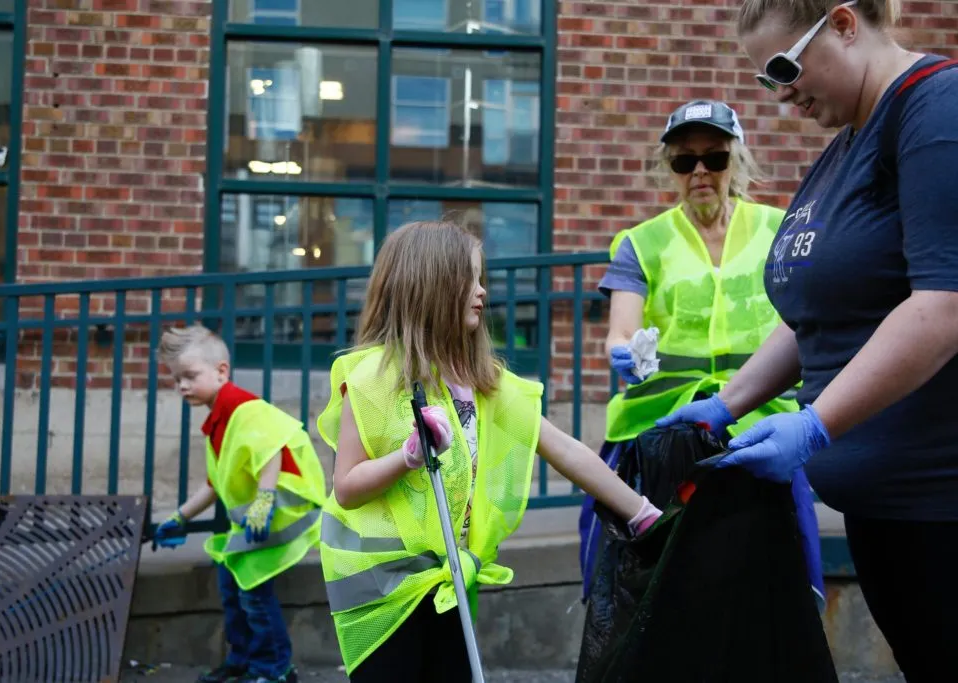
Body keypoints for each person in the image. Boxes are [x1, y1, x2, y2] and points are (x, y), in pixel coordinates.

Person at [660, 1, 958, 680]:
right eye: (766, 80)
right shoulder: (847, 144)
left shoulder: (936, 113)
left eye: (784, 67)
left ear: (846, 24)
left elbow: (944, 304)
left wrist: (817, 424)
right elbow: (813, 316)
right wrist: (726, 404)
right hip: (886, 514)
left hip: (941, 512)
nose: (782, 92)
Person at [315, 221, 663, 682]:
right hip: (380, 586)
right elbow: (346, 488)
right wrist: (409, 456)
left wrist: (640, 512)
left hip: (446, 576)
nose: (482, 293)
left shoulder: (483, 383)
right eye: (471, 280)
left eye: (483, 280)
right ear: (433, 284)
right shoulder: (372, 380)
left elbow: (564, 449)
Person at [577, 99, 823, 605]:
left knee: (784, 565)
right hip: (662, 428)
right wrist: (622, 352)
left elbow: (804, 315)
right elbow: (621, 331)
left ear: (739, 161)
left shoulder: (781, 230)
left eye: (715, 158)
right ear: (668, 170)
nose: (701, 172)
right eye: (684, 161)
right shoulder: (642, 243)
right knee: (621, 561)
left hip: (759, 420)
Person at [153, 326, 327, 683]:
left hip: (280, 511)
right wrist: (179, 517)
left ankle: (275, 670)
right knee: (232, 586)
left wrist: (263, 502)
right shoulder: (220, 420)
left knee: (253, 595)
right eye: (176, 379)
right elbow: (215, 486)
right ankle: (243, 662)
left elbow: (271, 456)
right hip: (260, 517)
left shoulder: (242, 409)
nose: (182, 386)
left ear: (221, 372)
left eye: (190, 376)